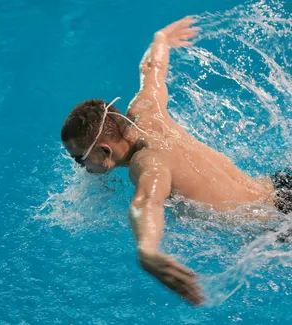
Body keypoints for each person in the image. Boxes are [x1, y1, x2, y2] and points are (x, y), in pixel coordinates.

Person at [60, 16, 292, 306]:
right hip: (281, 184)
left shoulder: (147, 163)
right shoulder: (146, 112)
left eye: (81, 159)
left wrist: (147, 250)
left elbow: (146, 201)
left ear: (105, 151)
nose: (81, 167)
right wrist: (160, 40)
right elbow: (151, 71)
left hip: (279, 223)